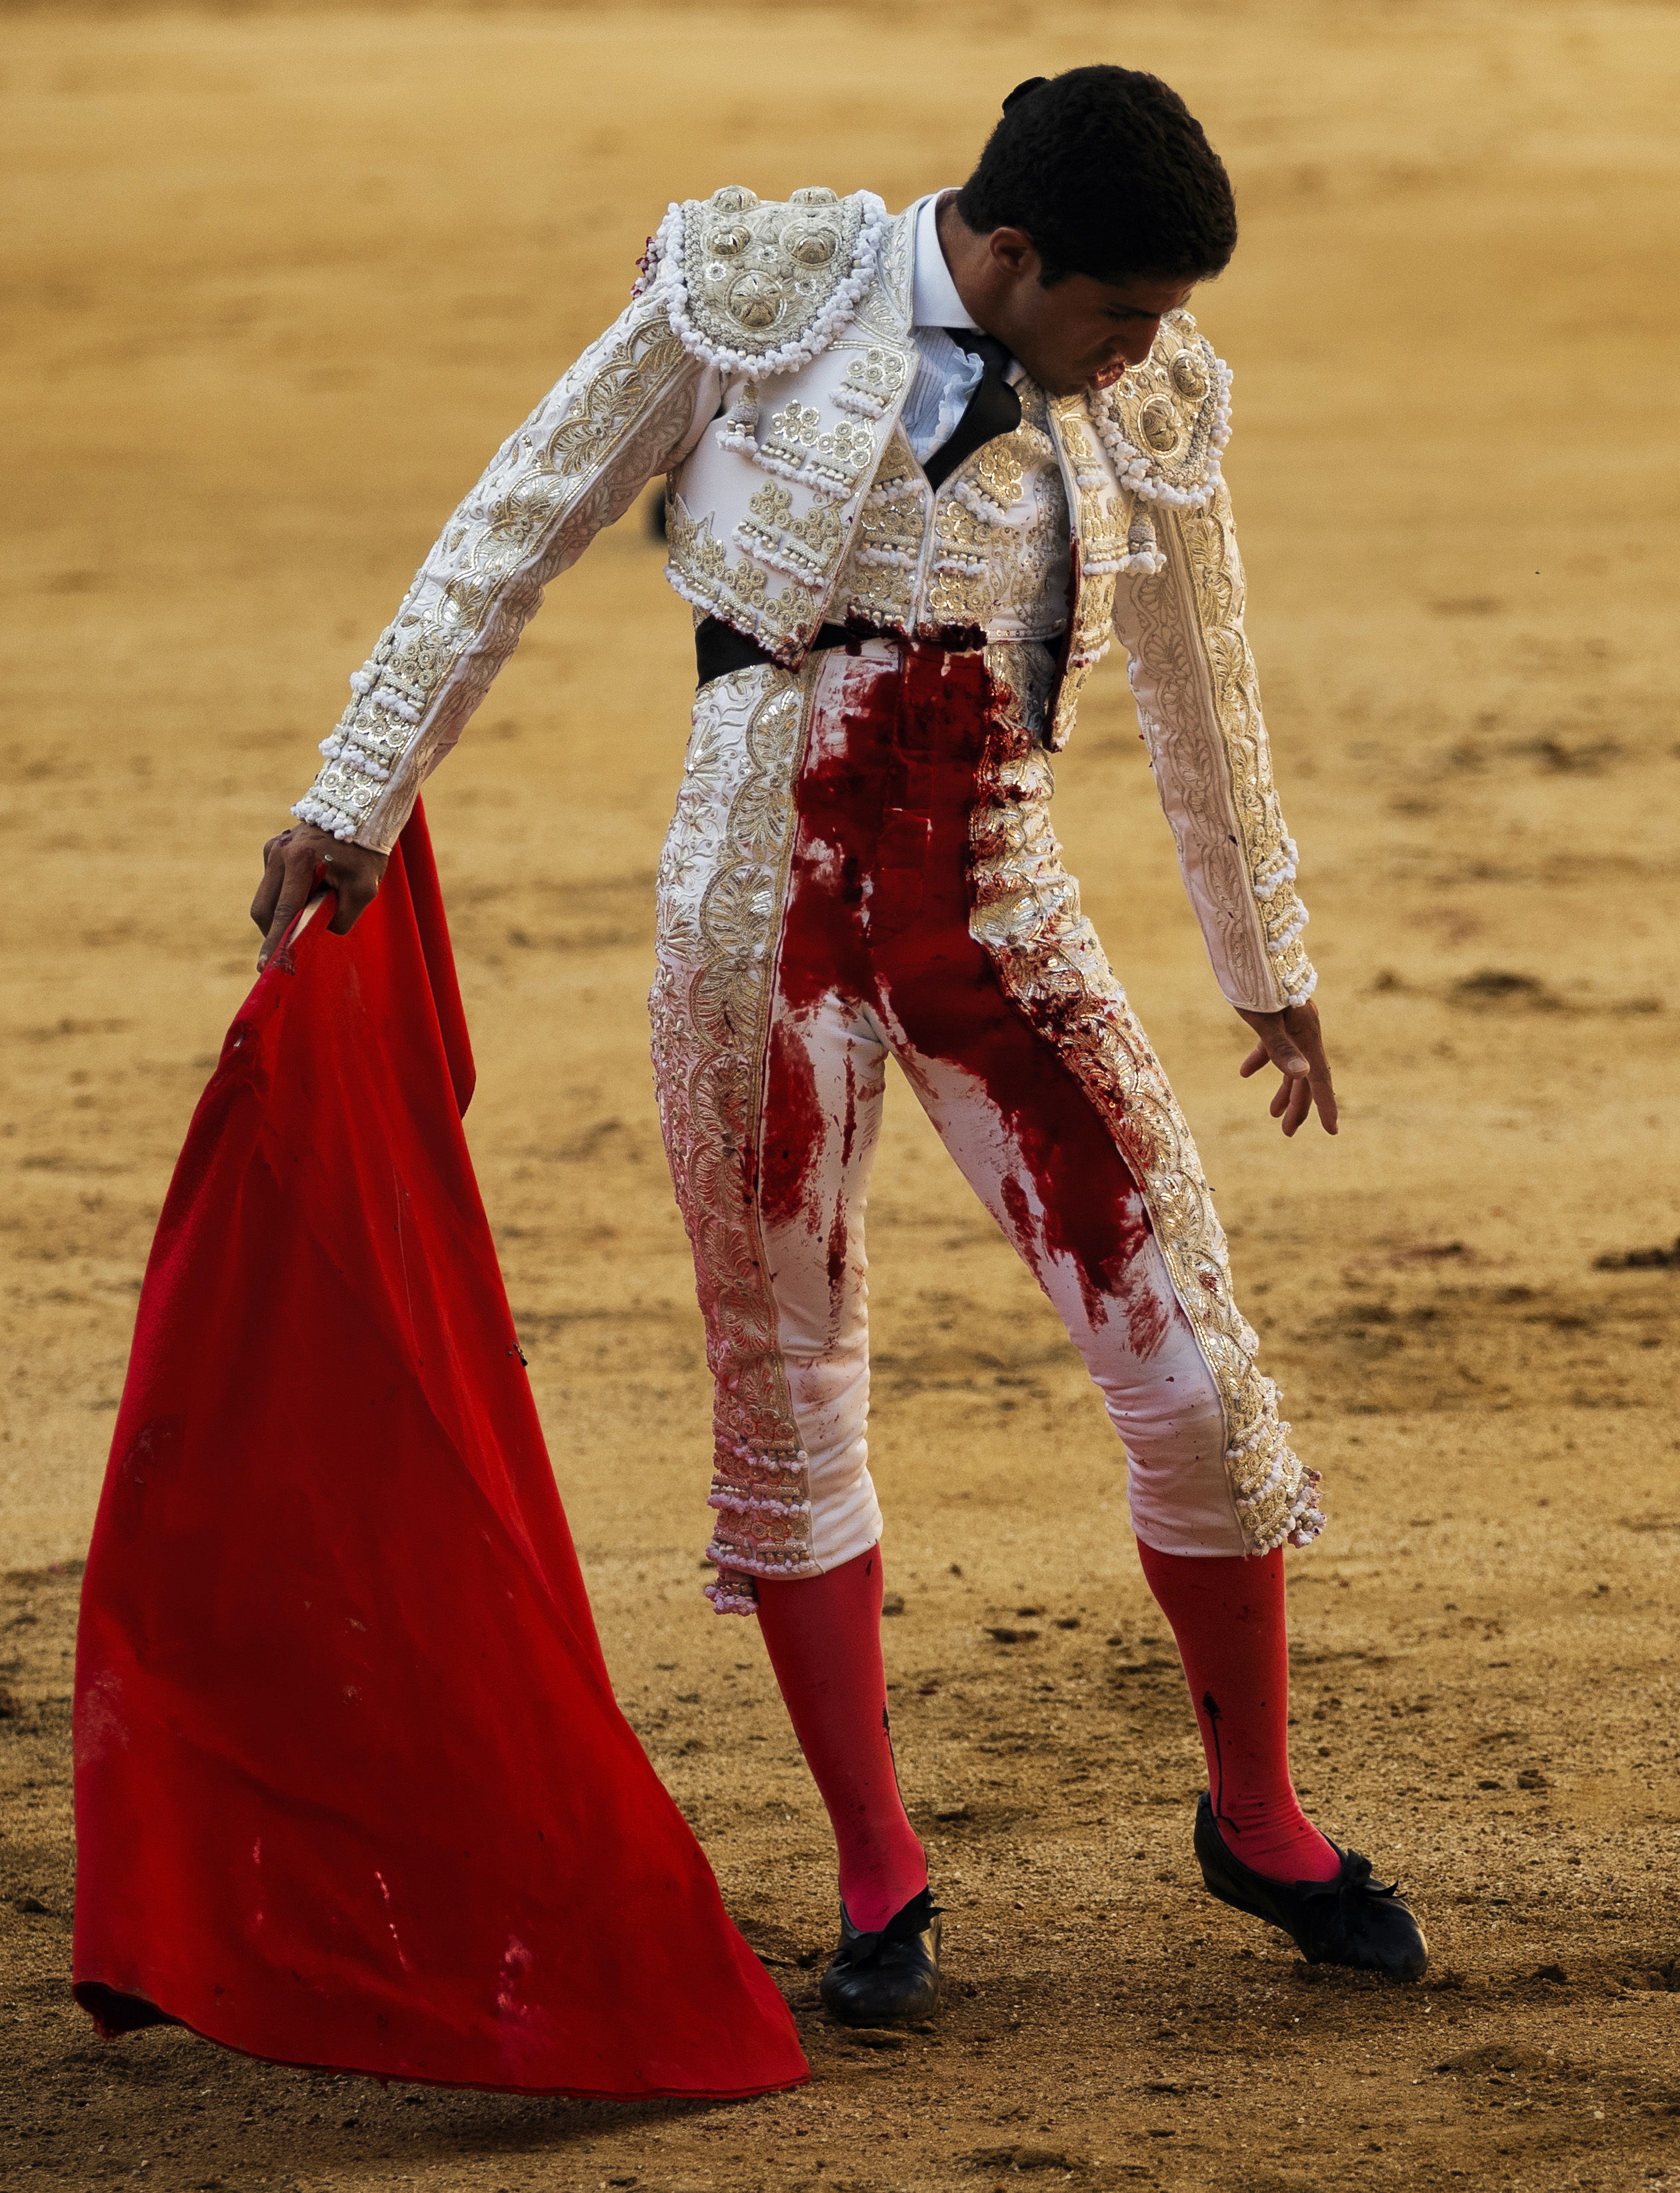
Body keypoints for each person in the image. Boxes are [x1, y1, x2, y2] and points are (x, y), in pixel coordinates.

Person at [246, 66, 1426, 2024]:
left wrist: (1264, 958)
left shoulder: (1146, 393)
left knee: (1195, 1372)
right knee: (787, 1390)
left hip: (1001, 909)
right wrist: (355, 794)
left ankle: (1260, 1816)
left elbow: (1200, 676)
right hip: (756, 913)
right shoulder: (760, 294)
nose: (1148, 353)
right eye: (1122, 313)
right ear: (1011, 252)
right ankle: (881, 1873)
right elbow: (515, 524)